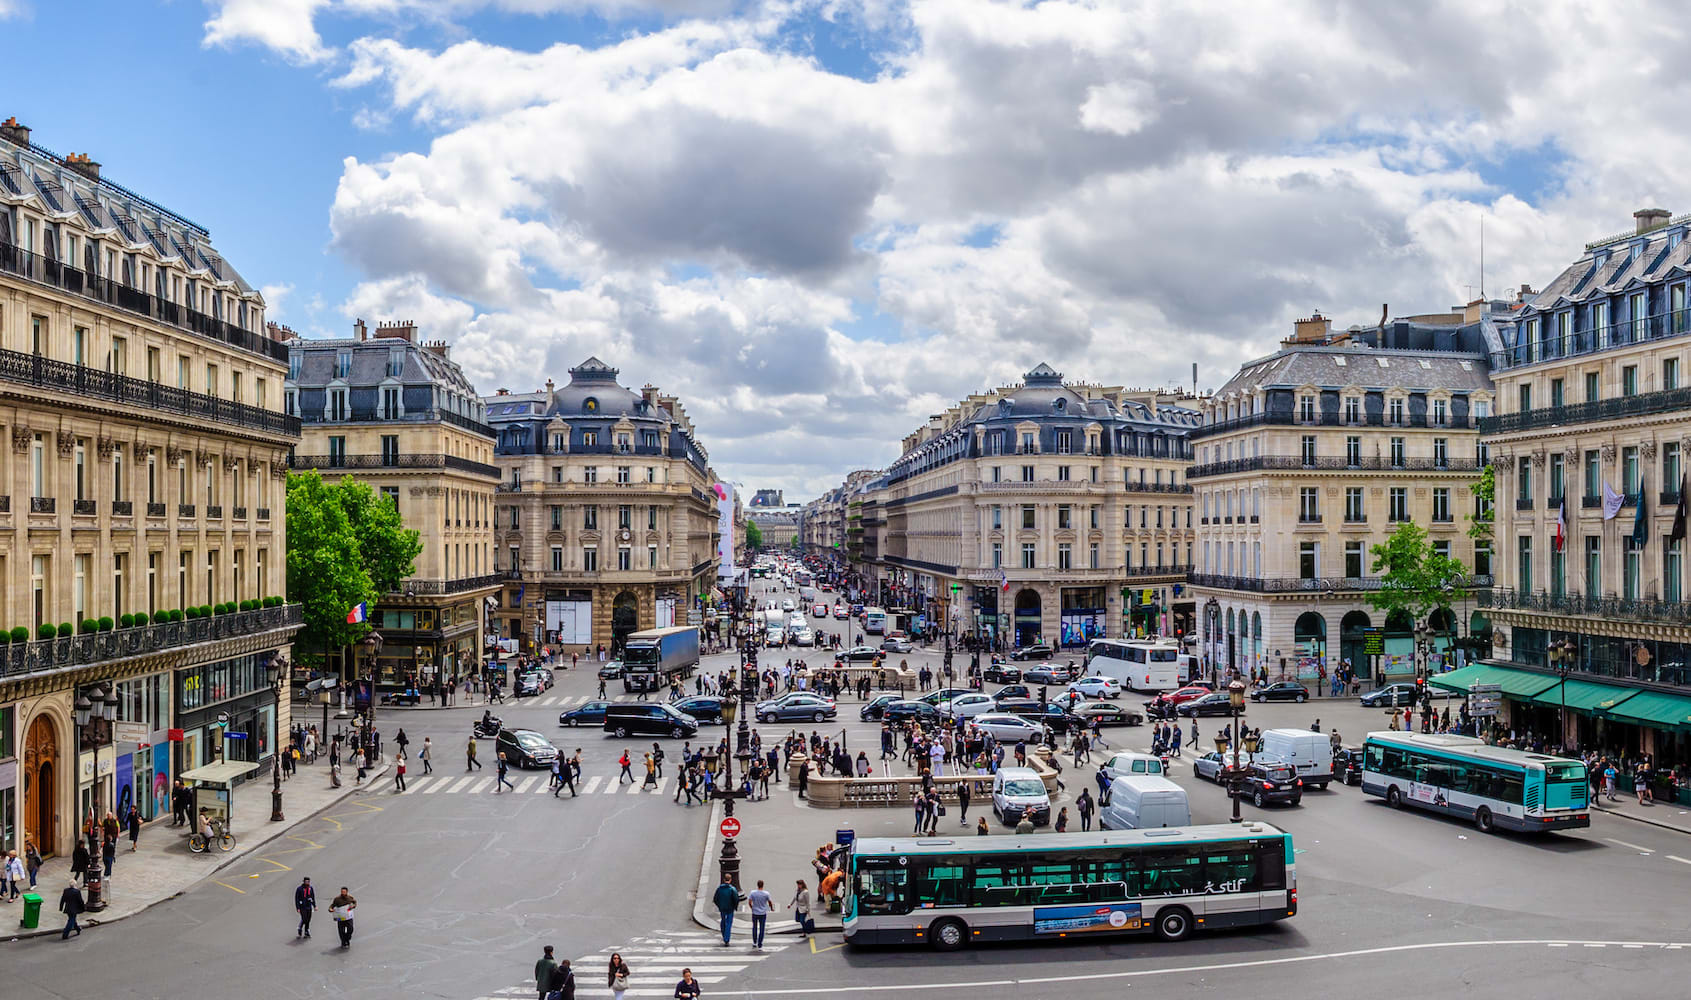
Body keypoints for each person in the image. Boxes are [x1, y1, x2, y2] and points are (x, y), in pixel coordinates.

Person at [712, 874, 741, 946]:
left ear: (724, 880)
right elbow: (736, 899)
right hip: (730, 908)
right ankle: (726, 939)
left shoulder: (719, 889)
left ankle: (724, 934)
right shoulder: (732, 889)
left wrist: (719, 906)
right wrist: (735, 906)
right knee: (729, 923)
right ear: (730, 880)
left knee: (723, 921)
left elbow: (715, 899)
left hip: (722, 908)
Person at [747, 880, 774, 949]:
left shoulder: (752, 893)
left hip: (755, 912)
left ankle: (754, 942)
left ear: (757, 885)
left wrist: (752, 908)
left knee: (754, 927)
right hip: (763, 913)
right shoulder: (766, 894)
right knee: (762, 928)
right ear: (763, 885)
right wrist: (771, 908)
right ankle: (760, 943)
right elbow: (770, 902)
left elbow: (749, 902)